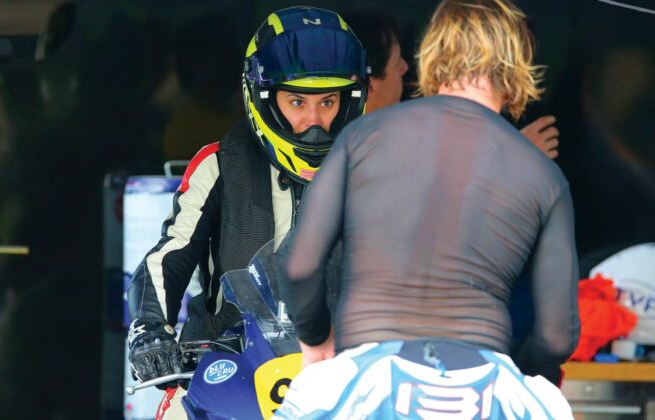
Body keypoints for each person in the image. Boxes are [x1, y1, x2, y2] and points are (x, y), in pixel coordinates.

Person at [275, 0, 579, 418]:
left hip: (365, 379)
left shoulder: (364, 136)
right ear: (515, 65)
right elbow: (557, 335)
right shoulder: (541, 174)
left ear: (433, 54)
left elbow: (299, 266)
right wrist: (513, 380)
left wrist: (316, 347)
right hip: (483, 387)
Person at [126, 5, 368, 416]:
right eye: (297, 101)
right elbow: (169, 256)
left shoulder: (374, 172)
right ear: (262, 97)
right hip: (227, 373)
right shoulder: (220, 165)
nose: (314, 121)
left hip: (348, 373)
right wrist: (150, 328)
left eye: (328, 102)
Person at [347, 8, 562, 159]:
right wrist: (515, 159)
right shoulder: (362, 158)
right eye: (396, 64)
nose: (405, 68)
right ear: (368, 87)